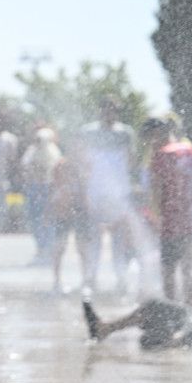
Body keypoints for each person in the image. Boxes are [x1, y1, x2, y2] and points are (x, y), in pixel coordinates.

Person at [76, 98, 136, 294]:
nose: (108, 114)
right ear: (100, 111)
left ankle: (121, 277)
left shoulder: (124, 133)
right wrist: (84, 191)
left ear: (116, 112)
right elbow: (82, 163)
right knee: (94, 237)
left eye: (112, 110)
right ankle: (91, 277)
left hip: (119, 193)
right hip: (95, 191)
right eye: (105, 110)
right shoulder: (89, 132)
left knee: (119, 239)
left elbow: (130, 162)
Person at [141, 117, 192, 304]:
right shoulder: (189, 150)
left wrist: (154, 219)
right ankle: (190, 306)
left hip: (170, 221)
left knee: (168, 270)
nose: (149, 143)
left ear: (156, 133)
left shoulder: (161, 155)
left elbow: (156, 193)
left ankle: (172, 312)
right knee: (188, 266)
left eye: (149, 137)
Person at [83, 298, 192, 349]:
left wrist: (181, 336)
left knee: (148, 341)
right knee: (154, 304)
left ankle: (171, 341)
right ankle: (105, 328)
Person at [47, 151, 91, 294]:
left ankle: (85, 281)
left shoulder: (83, 164)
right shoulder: (61, 165)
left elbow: (86, 188)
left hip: (78, 210)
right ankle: (57, 281)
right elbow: (54, 187)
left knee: (82, 247)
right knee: (60, 246)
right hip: (64, 210)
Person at [20, 125, 62, 264]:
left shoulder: (52, 151)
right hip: (34, 189)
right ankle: (41, 250)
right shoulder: (32, 151)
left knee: (48, 221)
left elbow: (54, 170)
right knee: (35, 221)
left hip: (47, 189)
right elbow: (25, 167)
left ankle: (48, 251)